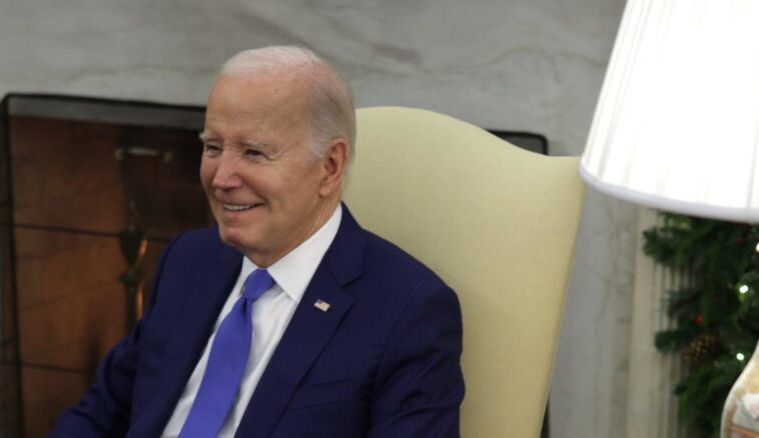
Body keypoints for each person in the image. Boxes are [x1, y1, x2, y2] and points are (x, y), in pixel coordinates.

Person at [52, 45, 463, 437]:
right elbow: (100, 415)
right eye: (213, 147)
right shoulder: (189, 259)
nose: (221, 178)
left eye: (253, 152)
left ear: (329, 166)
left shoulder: (409, 311)